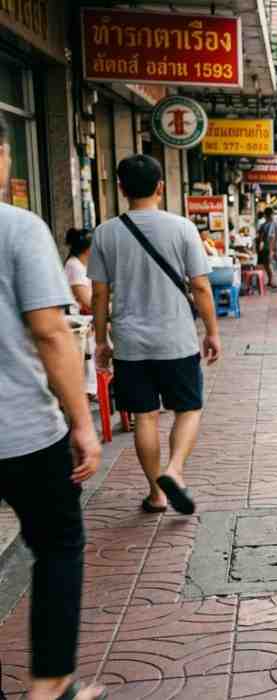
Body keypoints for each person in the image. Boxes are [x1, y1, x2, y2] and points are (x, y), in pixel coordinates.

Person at [0, 117, 107, 700]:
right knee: (58, 544)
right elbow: (49, 330)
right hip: (20, 429)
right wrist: (83, 424)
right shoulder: (17, 228)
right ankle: (49, 683)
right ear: (2, 157)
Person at [89, 154, 222, 515]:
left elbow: (99, 294)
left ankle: (156, 494)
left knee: (145, 417)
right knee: (189, 408)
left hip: (130, 343)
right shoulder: (182, 228)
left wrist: (101, 340)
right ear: (160, 187)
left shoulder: (105, 233)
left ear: (120, 188)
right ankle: (175, 471)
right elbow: (201, 286)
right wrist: (212, 331)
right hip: (176, 338)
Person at [63, 228, 97, 397]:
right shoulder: (75, 266)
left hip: (82, 318)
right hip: (77, 320)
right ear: (89, 249)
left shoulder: (81, 264)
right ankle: (91, 387)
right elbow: (86, 300)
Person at [256, 208, 276, 288]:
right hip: (268, 247)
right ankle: (270, 280)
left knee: (268, 264)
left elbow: (260, 237)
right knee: (268, 264)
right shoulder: (267, 224)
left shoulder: (265, 225)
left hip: (267, 247)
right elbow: (261, 236)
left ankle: (271, 281)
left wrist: (261, 243)